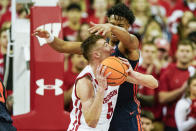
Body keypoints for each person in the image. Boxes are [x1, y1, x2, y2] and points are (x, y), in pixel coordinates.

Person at [33, 3, 149, 130]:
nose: (113, 29)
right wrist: (49, 37)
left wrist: (111, 27)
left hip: (126, 112)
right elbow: (63, 46)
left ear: (128, 27)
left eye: (120, 26)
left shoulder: (129, 45)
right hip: (104, 114)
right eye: (111, 23)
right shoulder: (99, 48)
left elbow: (129, 39)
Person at [67, 34, 158, 131]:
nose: (111, 47)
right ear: (97, 54)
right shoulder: (85, 81)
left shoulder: (113, 70)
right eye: (106, 45)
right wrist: (101, 91)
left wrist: (134, 74)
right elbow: (91, 122)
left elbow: (153, 84)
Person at [158, 39, 195, 131]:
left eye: (187, 51)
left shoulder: (194, 72)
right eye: (182, 51)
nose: (184, 54)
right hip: (172, 123)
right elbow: (161, 98)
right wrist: (182, 89)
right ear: (176, 53)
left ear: (193, 54)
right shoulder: (168, 72)